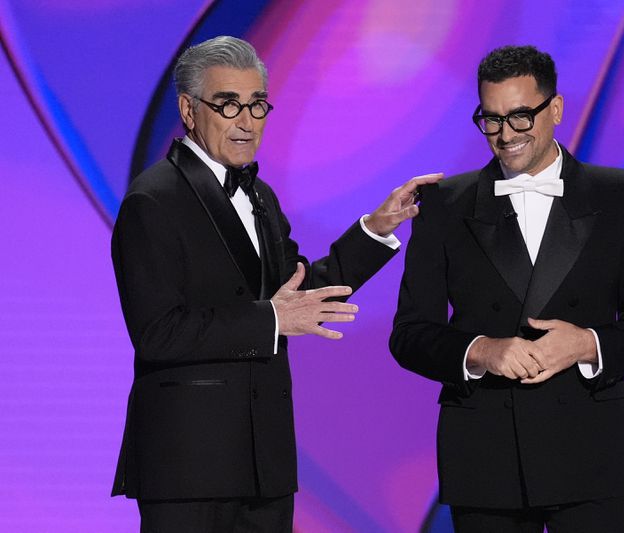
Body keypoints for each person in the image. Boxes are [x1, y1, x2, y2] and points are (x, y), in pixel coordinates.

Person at [110, 35, 440, 532]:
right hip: (188, 467)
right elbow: (159, 332)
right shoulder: (152, 201)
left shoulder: (260, 195)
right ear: (189, 110)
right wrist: (272, 319)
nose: (246, 121)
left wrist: (375, 229)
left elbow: (301, 292)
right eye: (228, 105)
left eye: (257, 104)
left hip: (265, 464)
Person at [390, 45, 624, 532]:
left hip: (590, 454)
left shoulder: (620, 194)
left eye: (520, 117)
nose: (505, 135)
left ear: (555, 109)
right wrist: (481, 351)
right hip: (485, 457)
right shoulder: (444, 204)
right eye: (491, 119)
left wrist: (588, 344)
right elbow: (410, 334)